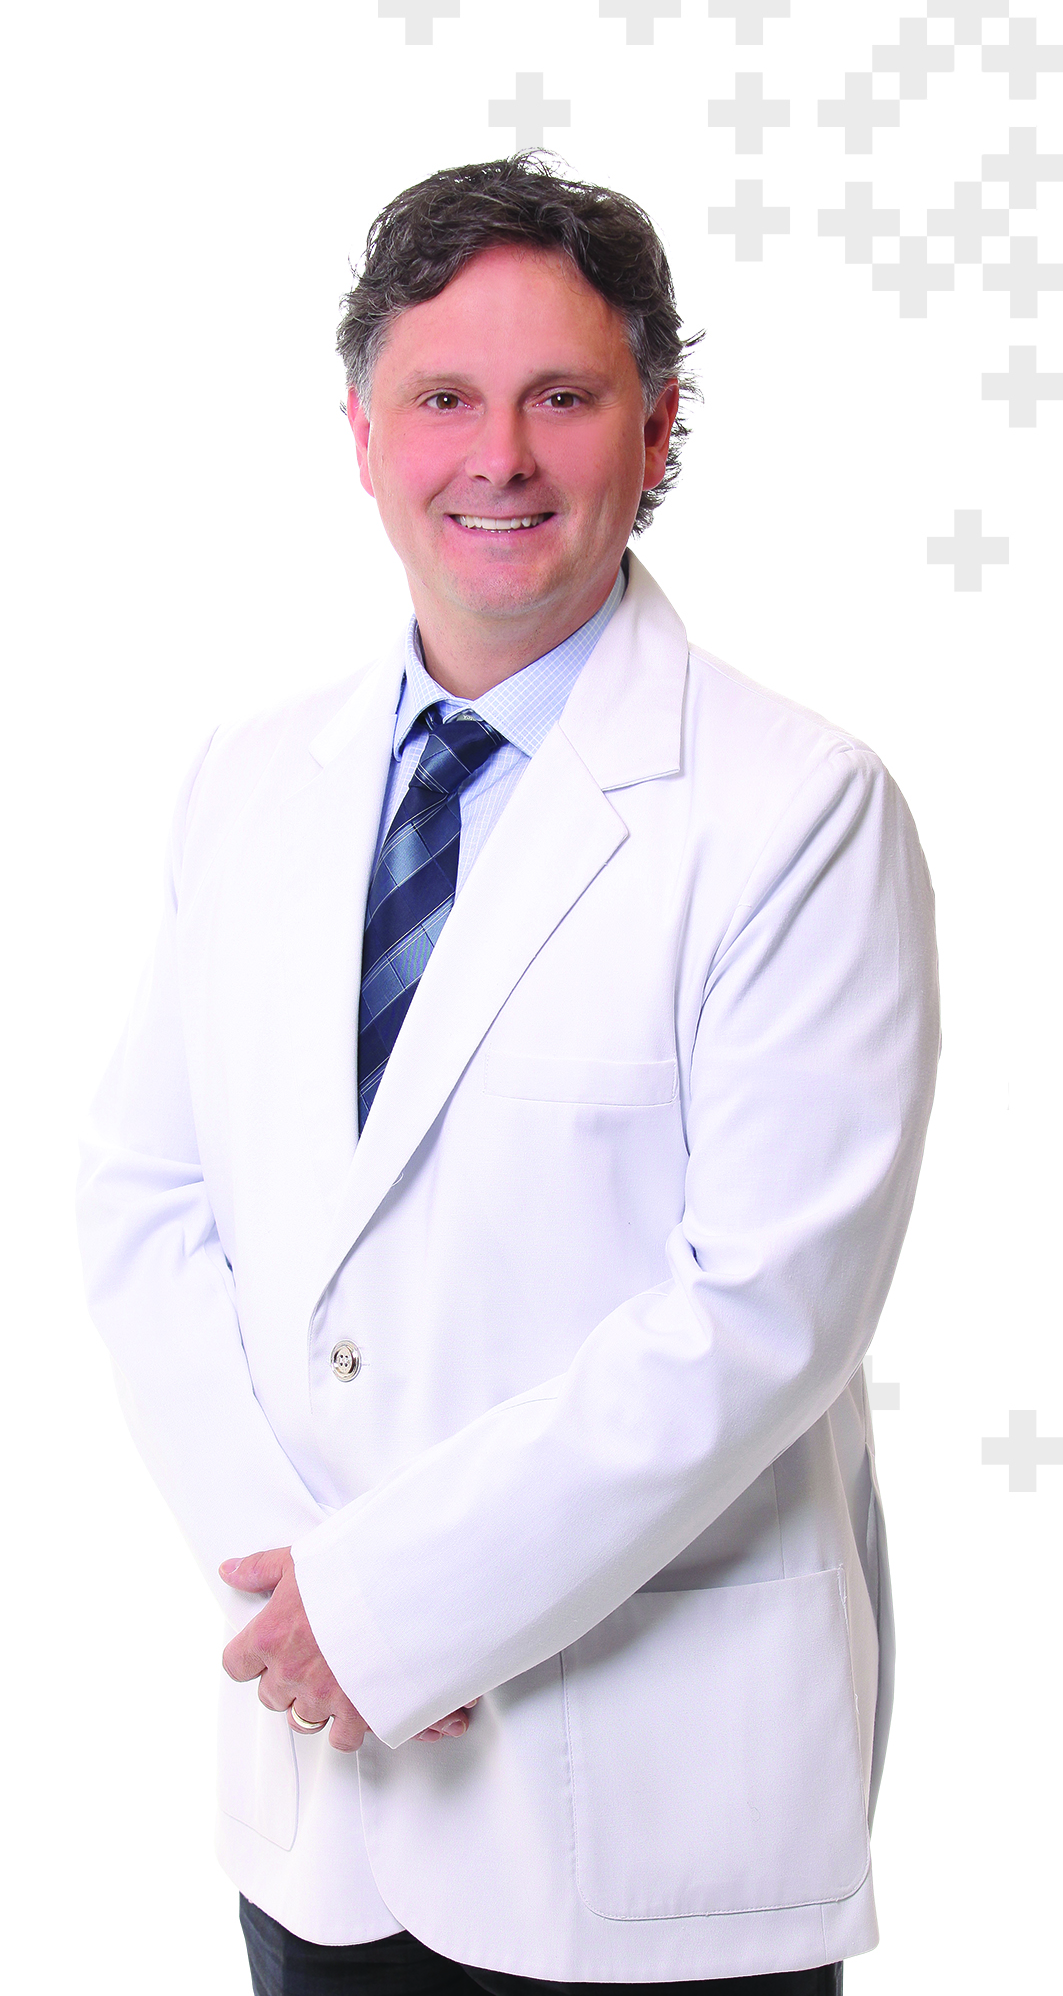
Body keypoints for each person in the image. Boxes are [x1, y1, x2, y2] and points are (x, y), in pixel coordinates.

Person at [76, 152, 940, 1996]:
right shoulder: (252, 775)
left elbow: (767, 1311)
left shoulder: (796, 809)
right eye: (442, 399)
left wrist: (395, 1611)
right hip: (322, 1796)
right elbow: (149, 1202)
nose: (500, 458)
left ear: (659, 425)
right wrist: (292, 1585)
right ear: (360, 435)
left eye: (562, 396)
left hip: (643, 1804)